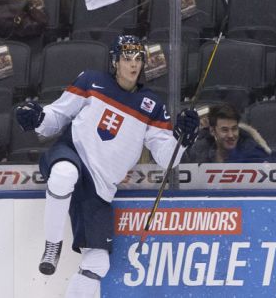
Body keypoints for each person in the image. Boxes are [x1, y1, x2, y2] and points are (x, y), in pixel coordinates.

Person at [14, 35, 199, 297]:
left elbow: (165, 156)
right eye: (127, 59)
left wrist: (183, 139)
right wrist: (38, 117)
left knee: (98, 263)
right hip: (72, 154)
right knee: (63, 174)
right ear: (115, 61)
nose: (133, 65)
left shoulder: (153, 106)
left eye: (138, 59)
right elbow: (58, 116)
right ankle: (52, 246)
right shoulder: (91, 81)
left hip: (100, 188)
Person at [182, 104, 271, 163]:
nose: (231, 135)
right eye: (225, 130)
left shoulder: (252, 153)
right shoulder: (200, 150)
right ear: (213, 131)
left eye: (234, 129)